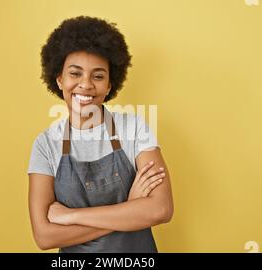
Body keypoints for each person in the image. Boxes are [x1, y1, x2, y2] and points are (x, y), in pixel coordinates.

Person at [27, 16, 173, 253]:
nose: (86, 85)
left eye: (98, 76)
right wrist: (130, 209)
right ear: (59, 79)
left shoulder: (134, 129)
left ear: (109, 85)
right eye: (75, 74)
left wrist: (71, 216)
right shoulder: (45, 145)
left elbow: (161, 209)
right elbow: (44, 236)